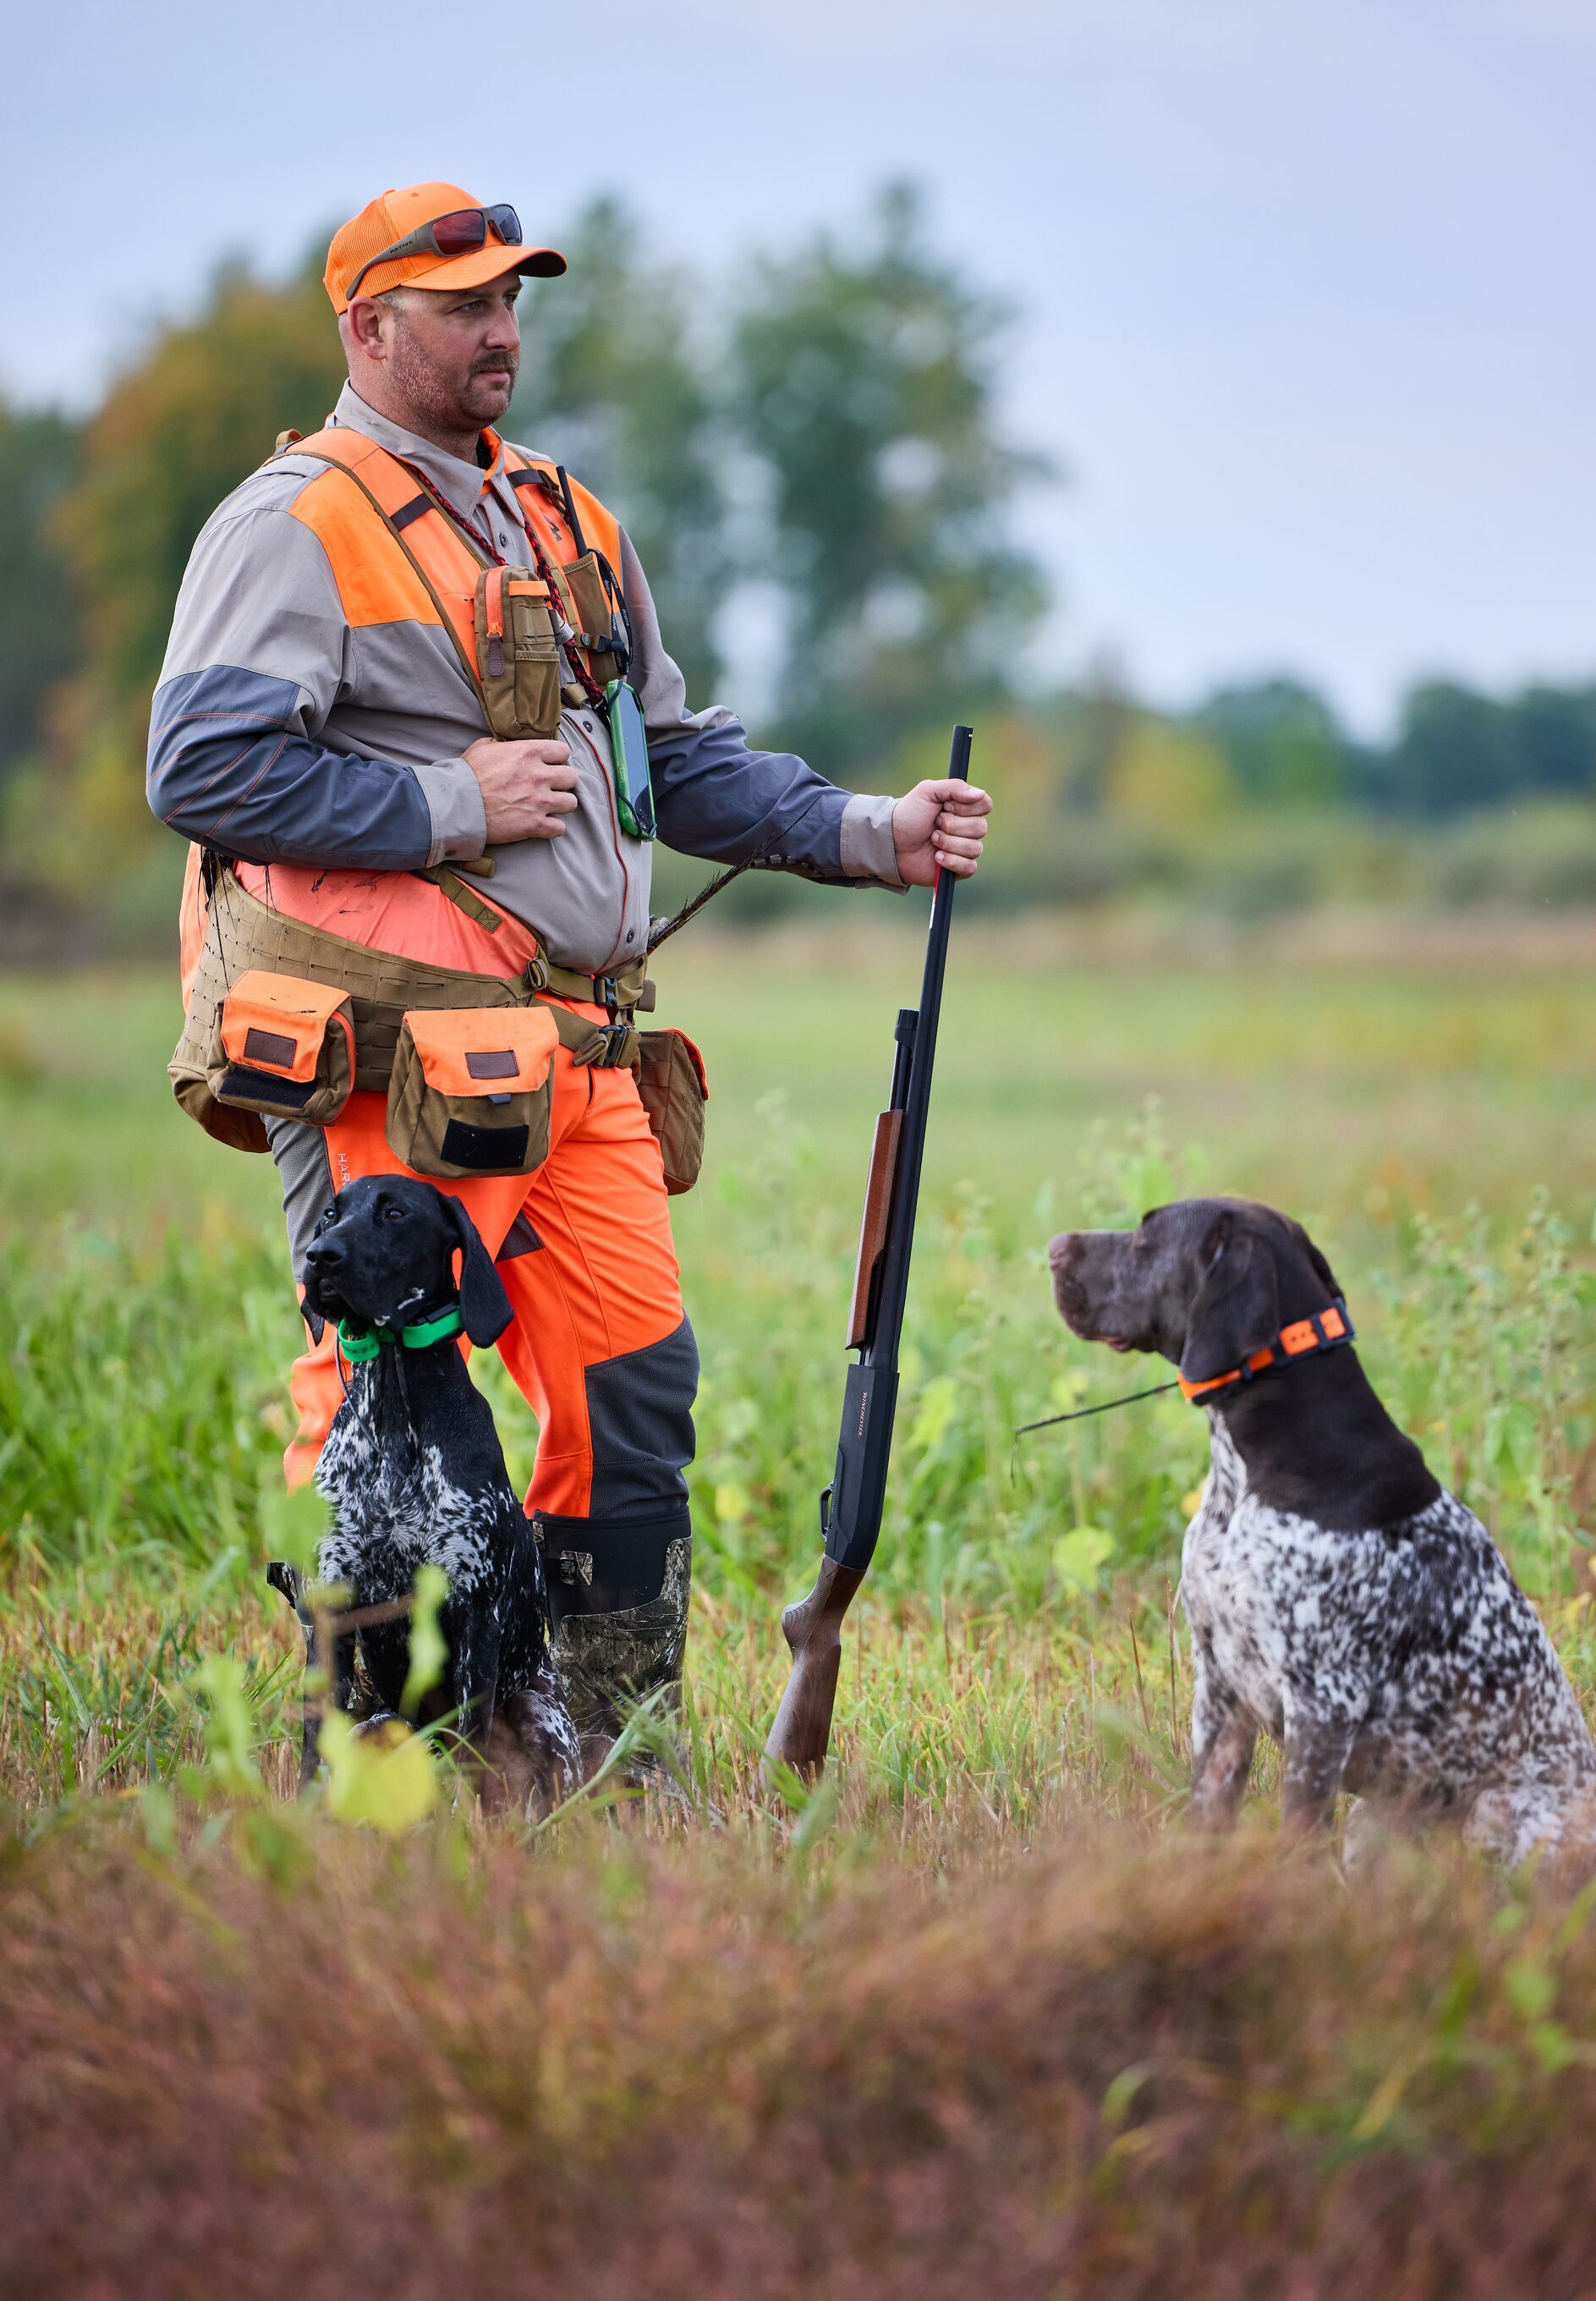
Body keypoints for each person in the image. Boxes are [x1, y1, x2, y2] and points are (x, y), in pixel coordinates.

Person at [146, 182, 992, 1760]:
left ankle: (599, 1760)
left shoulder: (565, 515)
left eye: (510, 301)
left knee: (634, 1400)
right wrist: (449, 801)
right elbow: (199, 769)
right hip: (389, 1058)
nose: (501, 331)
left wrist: (875, 832)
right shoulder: (293, 520)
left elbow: (671, 759)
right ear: (367, 328)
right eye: (463, 304)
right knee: (378, 1410)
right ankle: (370, 1760)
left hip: (583, 1056)